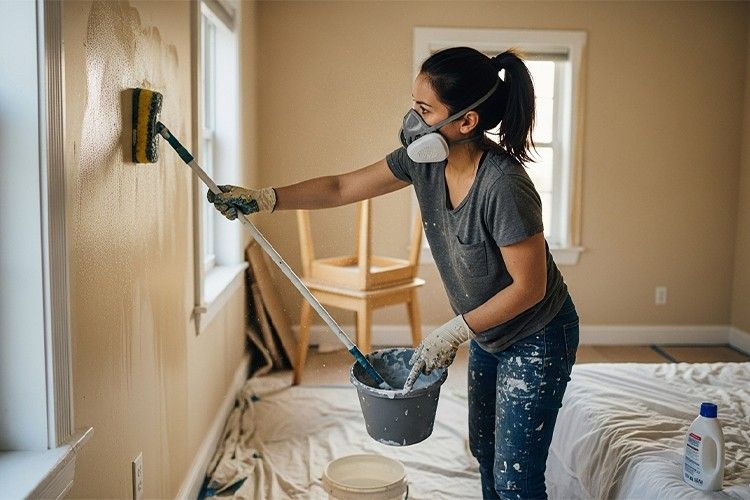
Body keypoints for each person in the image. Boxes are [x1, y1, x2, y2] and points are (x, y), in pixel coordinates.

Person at [207, 46, 579, 500]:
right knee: (484, 451)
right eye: (413, 105)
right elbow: (342, 187)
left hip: (537, 335)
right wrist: (266, 198)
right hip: (490, 333)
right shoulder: (423, 162)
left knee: (516, 477)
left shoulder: (503, 186)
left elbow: (530, 288)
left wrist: (453, 332)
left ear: (466, 122)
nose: (413, 120)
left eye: (425, 110)